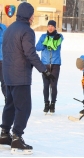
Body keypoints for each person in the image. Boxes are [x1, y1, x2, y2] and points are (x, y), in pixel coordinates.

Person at [0, 2, 55, 153]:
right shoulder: (27, 31)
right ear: (28, 15)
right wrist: (44, 70)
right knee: (24, 107)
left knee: (10, 104)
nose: (32, 18)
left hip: (7, 73)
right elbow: (30, 53)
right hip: (20, 75)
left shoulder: (9, 29)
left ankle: (4, 134)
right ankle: (17, 136)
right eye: (32, 15)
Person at [36, 20, 64, 114]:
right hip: (45, 64)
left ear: (55, 27)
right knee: (46, 85)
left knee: (53, 84)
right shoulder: (43, 37)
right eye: (49, 26)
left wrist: (51, 41)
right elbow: (38, 47)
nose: (50, 28)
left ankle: (53, 104)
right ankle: (46, 103)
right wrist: (45, 42)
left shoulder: (59, 36)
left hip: (55, 64)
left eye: (52, 26)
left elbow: (55, 46)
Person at [0, 23, 7, 103]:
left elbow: (6, 39)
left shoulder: (3, 27)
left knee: (4, 81)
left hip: (3, 59)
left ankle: (7, 98)